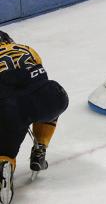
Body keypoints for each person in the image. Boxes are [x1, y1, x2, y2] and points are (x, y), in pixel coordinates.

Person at [0, 30, 69, 204]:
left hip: (12, 111)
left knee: (5, 151)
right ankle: (40, 146)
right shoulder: (26, 49)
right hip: (50, 98)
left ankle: (4, 166)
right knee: (48, 92)